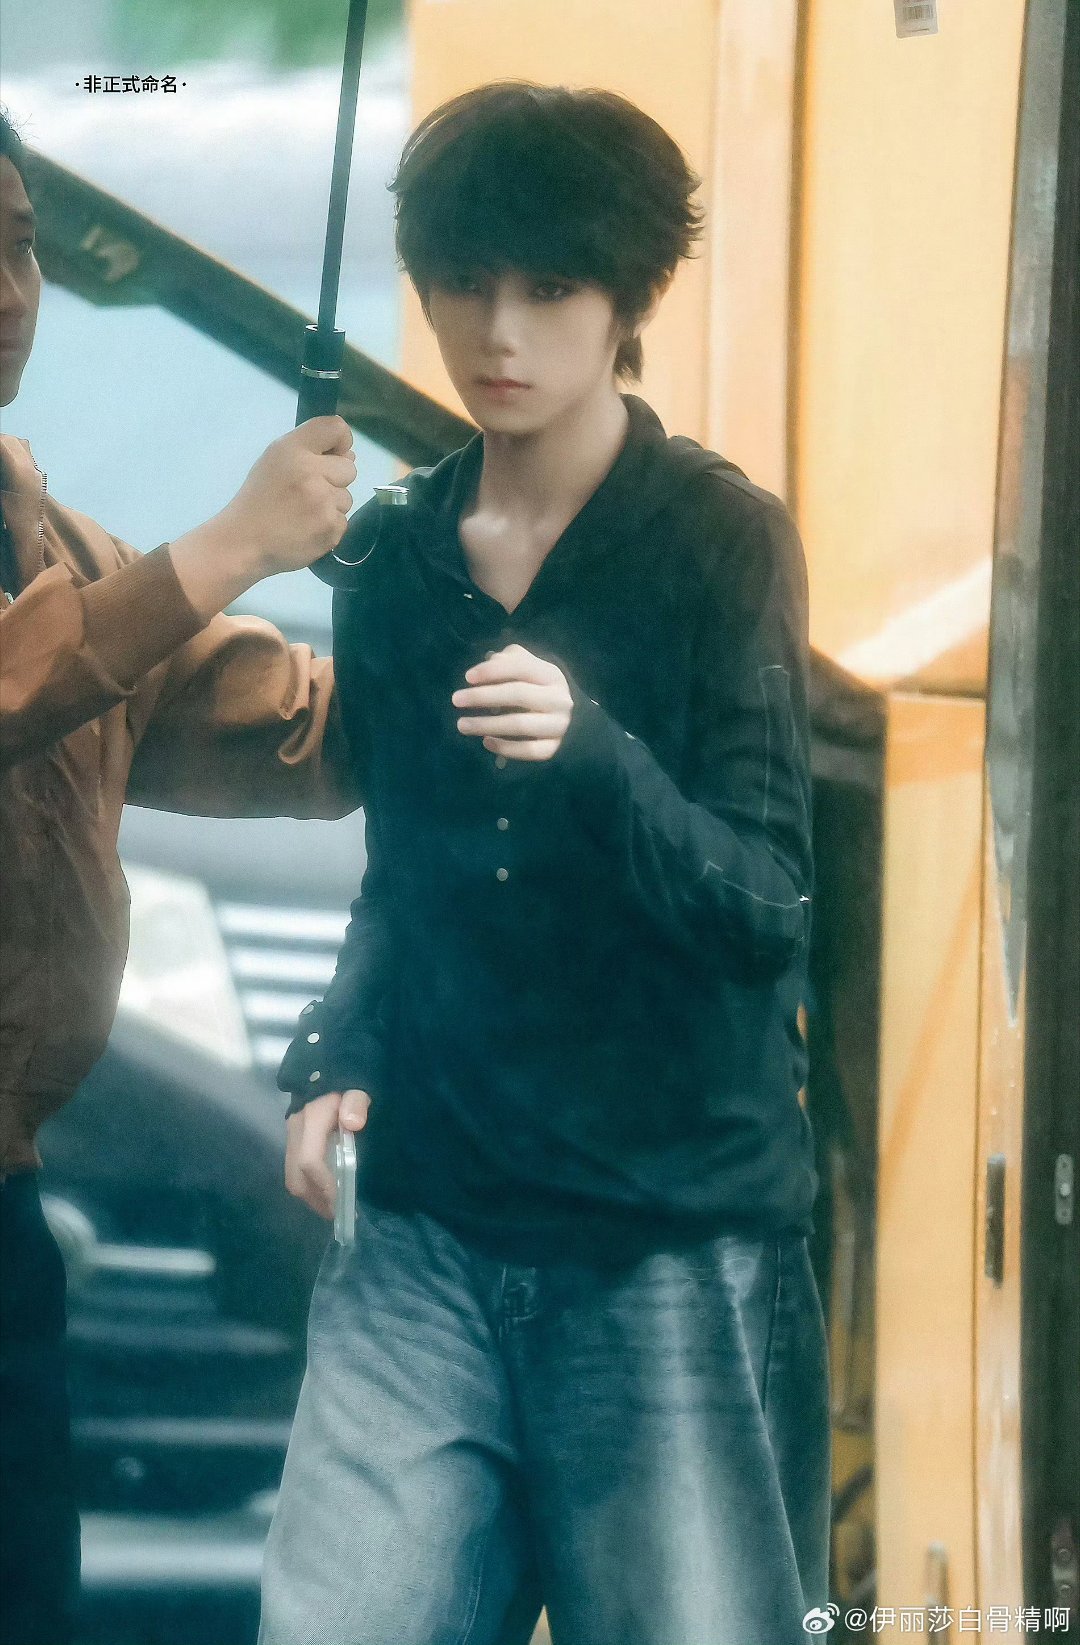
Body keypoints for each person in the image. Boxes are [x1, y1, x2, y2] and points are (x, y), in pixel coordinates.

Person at [266, 83, 830, 1645]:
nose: (498, 330)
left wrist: (594, 755)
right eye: (465, 282)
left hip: (666, 1238)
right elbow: (405, 876)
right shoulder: (394, 554)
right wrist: (337, 1051)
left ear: (626, 299)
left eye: (552, 286)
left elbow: (773, 906)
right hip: (424, 1230)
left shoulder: (719, 539)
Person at [0, 109, 361, 1645]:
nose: (8, 287)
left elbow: (270, 719)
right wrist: (227, 544)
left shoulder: (52, 542)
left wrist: (475, 630)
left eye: (21, 245)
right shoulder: (89, 581)